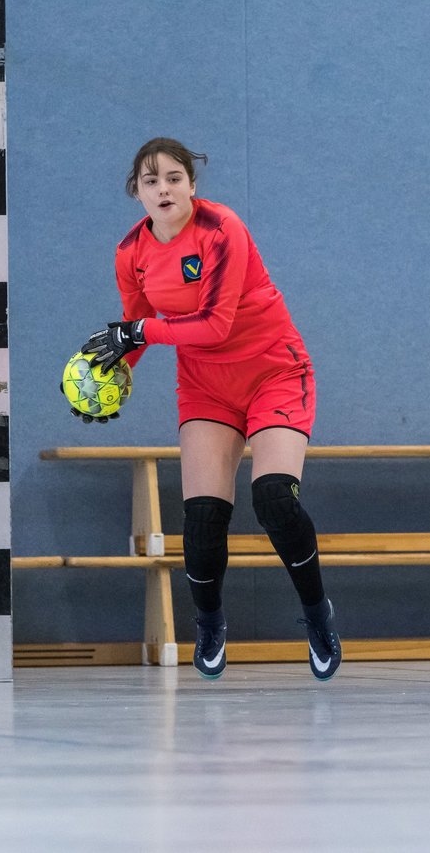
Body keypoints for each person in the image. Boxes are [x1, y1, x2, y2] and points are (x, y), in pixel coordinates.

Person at [75, 137, 340, 681]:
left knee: (273, 499)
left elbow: (213, 324)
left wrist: (139, 331)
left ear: (192, 185)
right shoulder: (131, 253)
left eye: (174, 177)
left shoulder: (222, 230)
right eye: (151, 181)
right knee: (200, 520)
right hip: (206, 387)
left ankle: (317, 615)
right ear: (137, 193)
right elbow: (138, 328)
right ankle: (211, 621)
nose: (163, 188)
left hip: (274, 371)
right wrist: (112, 376)